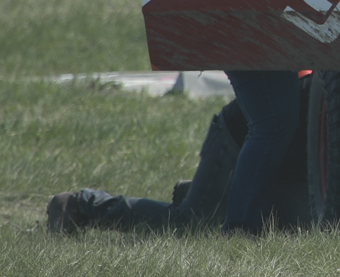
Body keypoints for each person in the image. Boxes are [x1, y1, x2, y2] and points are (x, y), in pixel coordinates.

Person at [47, 76, 309, 235]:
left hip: (286, 162)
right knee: (190, 224)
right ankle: (80, 205)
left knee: (294, 226)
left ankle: (205, 194)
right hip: (237, 140)